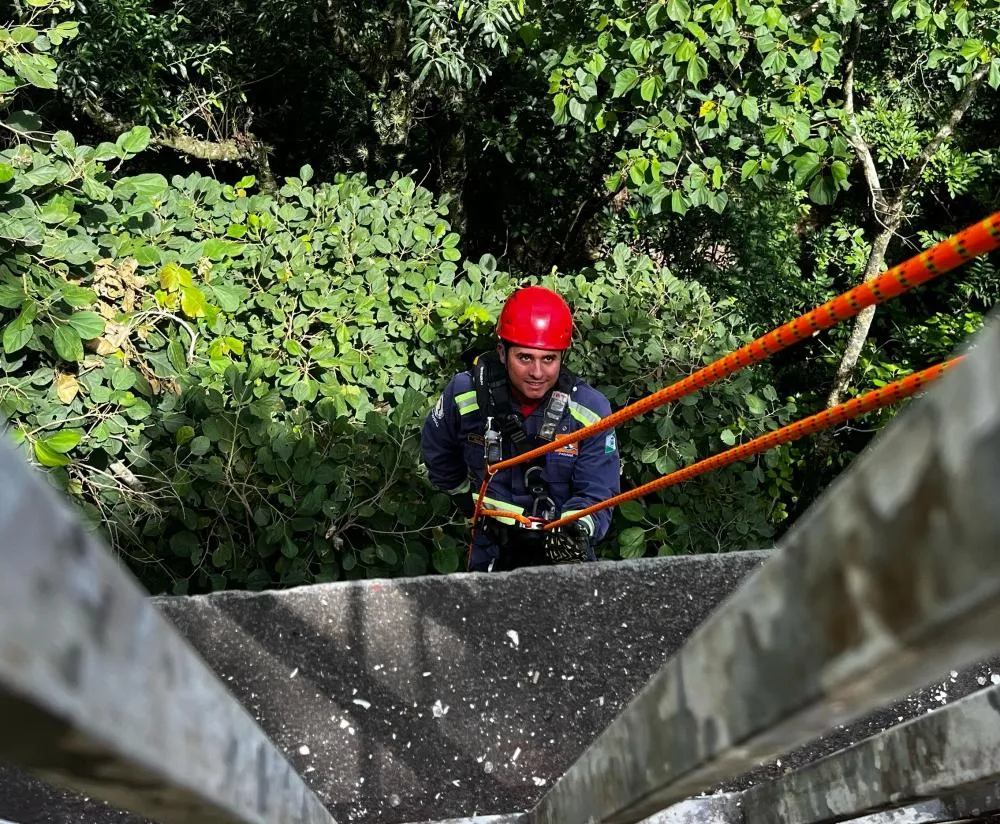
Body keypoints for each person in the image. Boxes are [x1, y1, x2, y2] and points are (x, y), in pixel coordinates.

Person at [421, 285, 621, 572]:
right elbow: (438, 450)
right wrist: (466, 502)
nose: (537, 373)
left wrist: (576, 530)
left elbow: (598, 491)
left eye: (549, 359)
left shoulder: (589, 411)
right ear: (502, 353)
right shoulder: (466, 395)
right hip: (489, 547)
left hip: (561, 552)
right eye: (525, 358)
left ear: (562, 357)